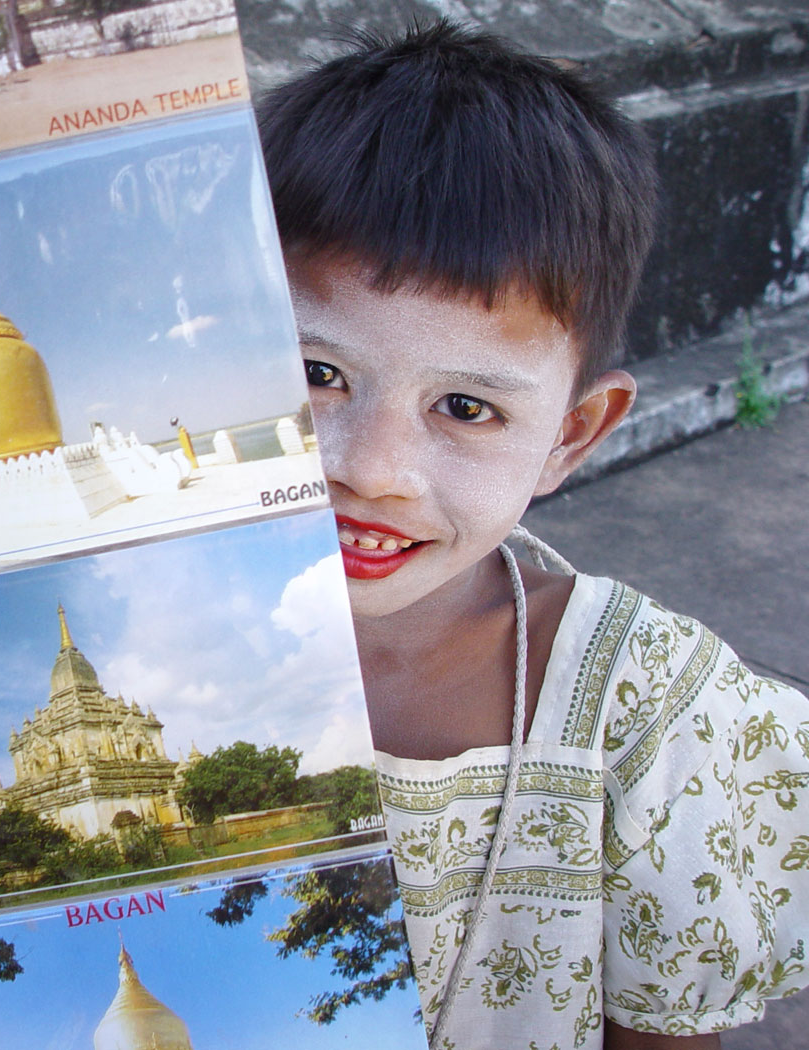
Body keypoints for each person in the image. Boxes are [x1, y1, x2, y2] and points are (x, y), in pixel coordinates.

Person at [259, 20, 809, 1050]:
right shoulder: (135, 625)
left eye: (465, 408)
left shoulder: (651, 721)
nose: (369, 470)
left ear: (569, 436)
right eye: (314, 372)